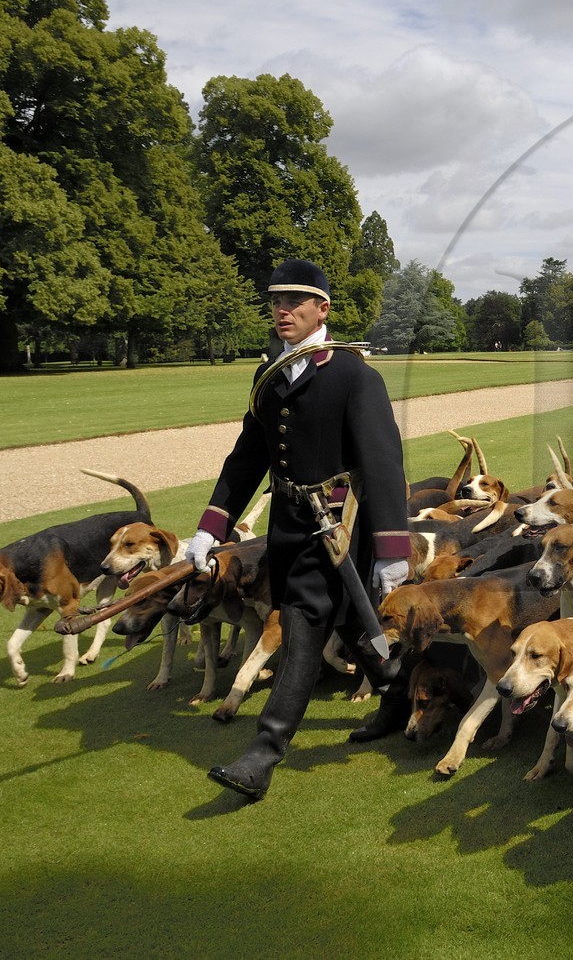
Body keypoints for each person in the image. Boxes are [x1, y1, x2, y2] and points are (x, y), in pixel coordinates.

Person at [184, 259, 411, 800]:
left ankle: (264, 752)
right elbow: (247, 458)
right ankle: (400, 694)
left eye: (294, 302)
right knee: (356, 623)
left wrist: (391, 549)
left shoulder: (355, 375)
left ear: (321, 309)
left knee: (304, 624)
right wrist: (211, 526)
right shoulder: (269, 373)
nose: (281, 311)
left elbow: (382, 464)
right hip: (287, 524)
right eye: (275, 302)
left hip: (336, 528)